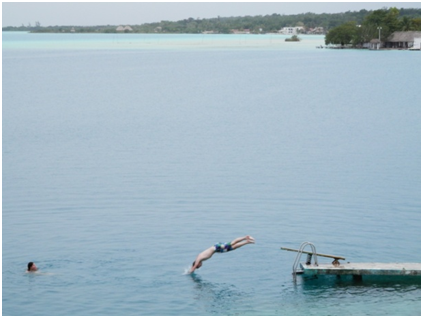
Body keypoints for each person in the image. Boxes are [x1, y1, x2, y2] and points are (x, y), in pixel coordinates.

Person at [189, 236, 255, 273]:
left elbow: (194, 267)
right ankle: (247, 242)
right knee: (232, 248)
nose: (201, 265)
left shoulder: (198, 258)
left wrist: (189, 272)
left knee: (231, 243)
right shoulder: (200, 259)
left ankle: (246, 237)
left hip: (217, 247)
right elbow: (194, 266)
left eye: (199, 266)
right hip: (217, 250)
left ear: (197, 264)